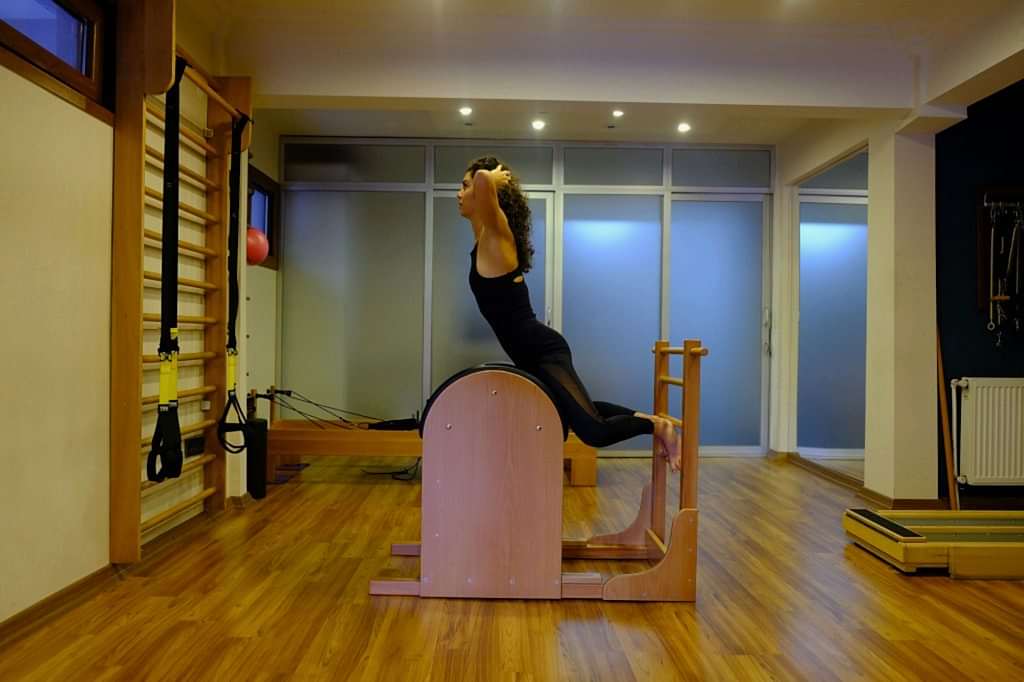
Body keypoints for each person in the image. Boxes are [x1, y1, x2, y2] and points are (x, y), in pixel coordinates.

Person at [458, 156, 682, 470]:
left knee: (594, 432)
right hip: (530, 352)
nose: (459, 193)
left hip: (542, 350)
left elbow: (483, 179)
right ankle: (648, 419)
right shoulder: (484, 237)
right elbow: (482, 192)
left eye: (465, 186)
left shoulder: (498, 235)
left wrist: (490, 180)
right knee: (575, 412)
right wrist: (486, 187)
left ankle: (659, 428)